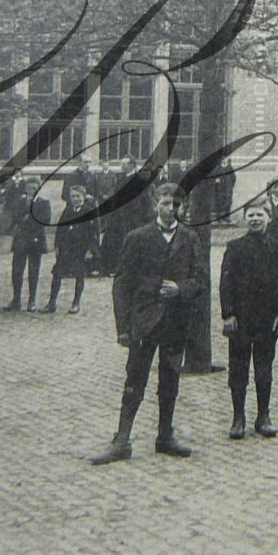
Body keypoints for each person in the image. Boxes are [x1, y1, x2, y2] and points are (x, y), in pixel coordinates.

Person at [90, 184, 208, 464]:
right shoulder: (138, 237)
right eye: (166, 203)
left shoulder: (191, 238)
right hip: (144, 321)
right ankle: (122, 439)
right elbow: (122, 283)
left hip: (175, 321)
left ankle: (165, 436)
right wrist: (123, 327)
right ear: (156, 204)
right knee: (135, 379)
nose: (171, 209)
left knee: (170, 379)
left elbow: (200, 281)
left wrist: (180, 288)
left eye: (176, 205)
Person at [219, 199, 278, 439]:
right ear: (244, 219)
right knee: (238, 369)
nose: (256, 219)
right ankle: (238, 417)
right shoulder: (234, 247)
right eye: (251, 215)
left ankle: (263, 416)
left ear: (269, 217)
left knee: (264, 369)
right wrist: (227, 315)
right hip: (240, 319)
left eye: (260, 214)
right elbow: (225, 283)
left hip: (266, 319)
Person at [47, 184, 100, 314]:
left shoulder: (89, 211)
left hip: (80, 249)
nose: (76, 199)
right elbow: (60, 229)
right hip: (66, 248)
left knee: (79, 275)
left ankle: (76, 303)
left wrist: (90, 250)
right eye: (73, 196)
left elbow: (94, 233)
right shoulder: (68, 211)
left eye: (78, 196)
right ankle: (52, 303)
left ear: (83, 197)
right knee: (57, 274)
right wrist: (57, 246)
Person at [9, 177, 50, 312]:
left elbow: (44, 220)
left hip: (35, 240)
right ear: (25, 188)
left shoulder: (44, 203)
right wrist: (26, 219)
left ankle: (31, 300)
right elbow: (14, 218)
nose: (31, 191)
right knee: (16, 271)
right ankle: (16, 299)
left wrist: (28, 220)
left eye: (34, 188)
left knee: (33, 271)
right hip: (20, 240)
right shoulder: (19, 202)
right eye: (28, 188)